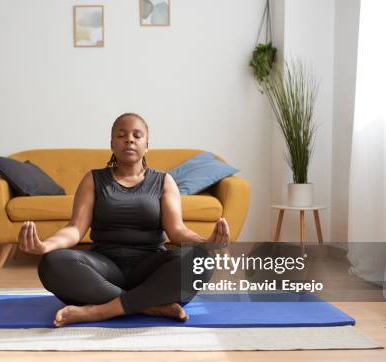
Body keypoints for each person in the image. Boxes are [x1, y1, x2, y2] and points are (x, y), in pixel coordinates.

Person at [18, 113, 230, 327]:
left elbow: (177, 230)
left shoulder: (164, 181)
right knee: (52, 264)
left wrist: (204, 243)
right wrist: (46, 246)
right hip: (105, 268)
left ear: (147, 145)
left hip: (150, 268)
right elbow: (75, 229)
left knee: (200, 261)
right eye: (122, 135)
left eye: (137, 135)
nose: (129, 139)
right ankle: (151, 306)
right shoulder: (93, 179)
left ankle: (101, 311)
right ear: (112, 144)